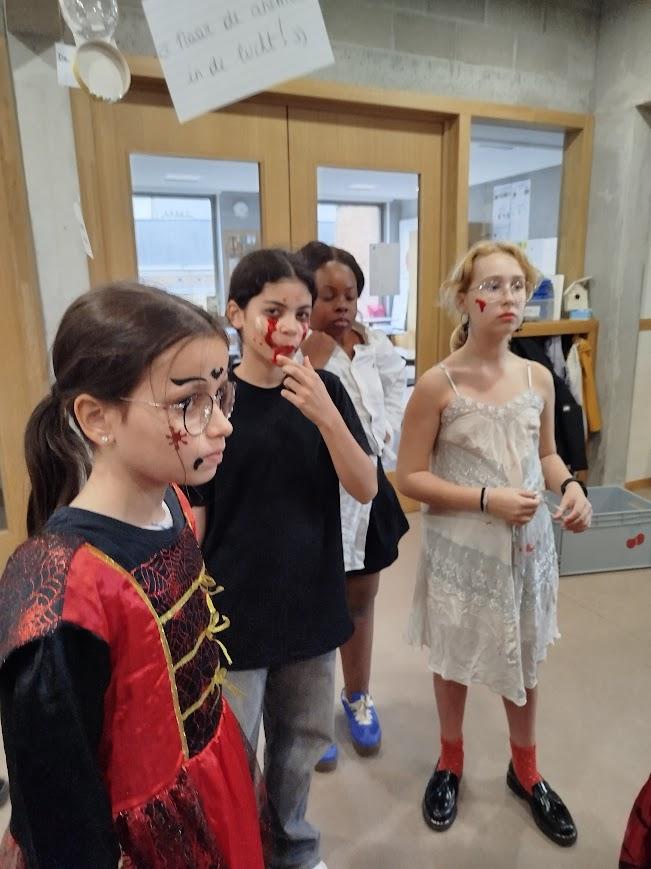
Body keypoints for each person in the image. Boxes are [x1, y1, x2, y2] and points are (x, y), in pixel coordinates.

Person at [0, 283, 265, 868]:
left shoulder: (173, 500)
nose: (222, 425)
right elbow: (54, 801)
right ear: (98, 418)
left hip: (210, 773)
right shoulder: (62, 590)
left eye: (221, 395)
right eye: (188, 403)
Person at [396, 241, 592, 847]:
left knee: (525, 653)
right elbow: (409, 476)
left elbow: (547, 454)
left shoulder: (538, 376)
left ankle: (525, 769)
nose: (508, 297)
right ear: (464, 299)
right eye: (493, 285)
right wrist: (486, 499)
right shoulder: (438, 383)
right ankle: (449, 759)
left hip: (526, 547)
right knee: (454, 654)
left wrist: (570, 487)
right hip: (461, 546)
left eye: (517, 285)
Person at [187, 248, 377, 869]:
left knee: (301, 742)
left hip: (310, 603)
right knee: (232, 750)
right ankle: (240, 853)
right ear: (236, 314)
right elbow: (197, 515)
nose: (291, 327)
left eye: (301, 313)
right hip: (232, 612)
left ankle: (293, 847)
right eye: (274, 311)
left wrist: (325, 414)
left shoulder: (325, 391)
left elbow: (365, 486)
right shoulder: (214, 402)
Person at [299, 241, 409, 770]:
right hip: (312, 498)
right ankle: (312, 712)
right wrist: (312, 361)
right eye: (328, 295)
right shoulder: (296, 355)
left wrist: (376, 444)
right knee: (313, 605)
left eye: (350, 295)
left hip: (366, 492)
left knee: (360, 601)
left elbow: (393, 406)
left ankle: (357, 696)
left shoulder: (377, 347)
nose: (342, 305)